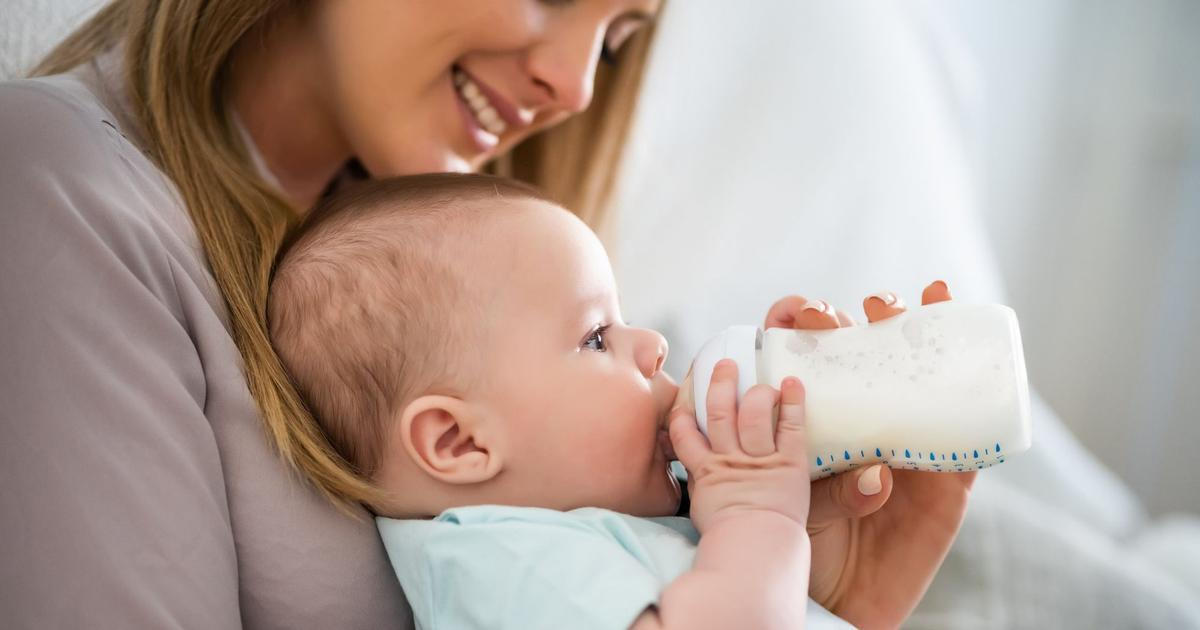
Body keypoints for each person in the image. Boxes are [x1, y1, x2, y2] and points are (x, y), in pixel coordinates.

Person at [0, 1, 970, 627]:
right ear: (451, 441)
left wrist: (824, 591)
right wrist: (756, 539)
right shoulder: (60, 185)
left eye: (618, 36)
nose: (577, 85)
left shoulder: (458, 272)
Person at [267, 172, 969, 629]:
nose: (655, 344)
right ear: (460, 442)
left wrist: (818, 579)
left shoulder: (616, 532)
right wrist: (757, 520)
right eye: (596, 337)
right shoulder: (501, 559)